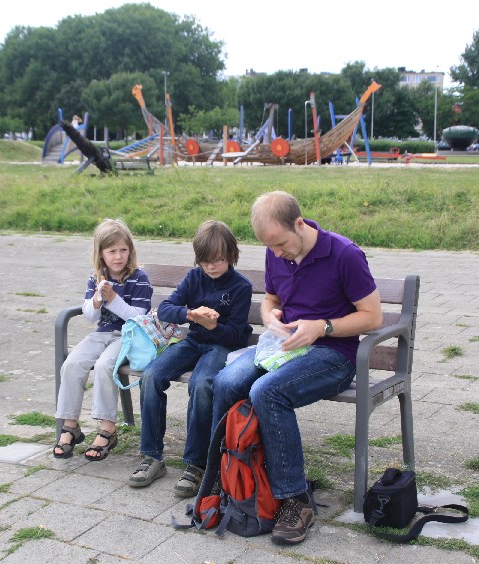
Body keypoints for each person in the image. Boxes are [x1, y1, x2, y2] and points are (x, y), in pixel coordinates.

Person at [211, 191, 382, 545]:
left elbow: (373, 317)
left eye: (280, 244)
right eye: (269, 247)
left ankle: (295, 499)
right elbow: (272, 298)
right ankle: (226, 475)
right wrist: (268, 314)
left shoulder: (344, 255)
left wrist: (323, 326)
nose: (276, 253)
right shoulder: (276, 251)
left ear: (300, 224)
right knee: (226, 381)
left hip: (333, 354)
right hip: (283, 348)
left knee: (267, 391)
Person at [129, 220, 253, 497]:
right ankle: (151, 456)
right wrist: (190, 315)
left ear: (231, 255)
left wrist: (214, 326)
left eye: (218, 261)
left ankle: (195, 464)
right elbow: (165, 309)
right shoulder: (193, 277)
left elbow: (235, 335)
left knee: (202, 385)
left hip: (221, 346)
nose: (211, 267)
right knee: (151, 376)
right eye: (205, 262)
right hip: (193, 340)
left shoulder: (240, 287)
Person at [54, 219, 152, 461]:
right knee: (72, 364)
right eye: (112, 251)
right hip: (101, 333)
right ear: (101, 254)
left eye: (123, 250)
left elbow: (138, 318)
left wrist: (114, 299)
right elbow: (90, 315)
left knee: (105, 366)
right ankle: (70, 425)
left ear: (130, 250)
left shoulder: (139, 278)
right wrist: (98, 298)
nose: (118, 256)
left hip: (129, 337)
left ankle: (108, 428)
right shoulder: (96, 276)